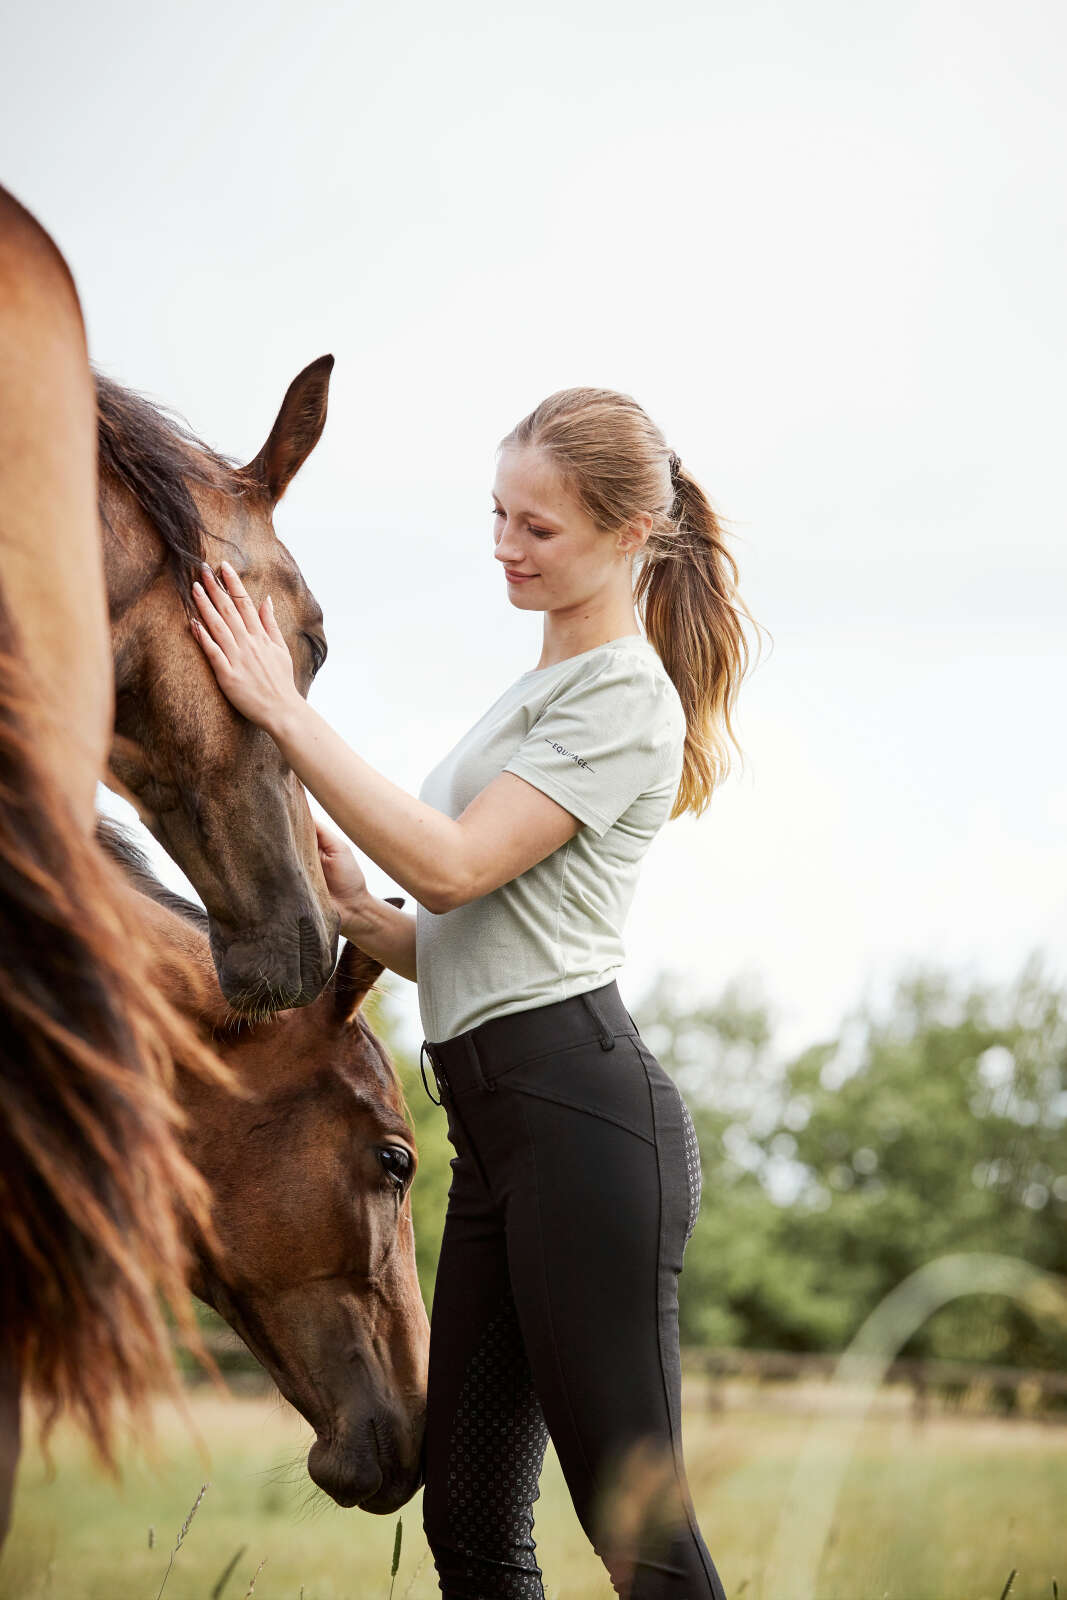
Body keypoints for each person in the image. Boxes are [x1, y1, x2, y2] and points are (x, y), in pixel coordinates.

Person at [189, 385, 757, 1599]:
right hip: (501, 1135)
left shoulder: (621, 694)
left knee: (636, 1534)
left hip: (582, 1128)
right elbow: (477, 944)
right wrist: (360, 918)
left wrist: (282, 712)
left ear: (626, 535)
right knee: (471, 1528)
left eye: (537, 528)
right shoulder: (531, 694)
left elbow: (451, 863)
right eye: (496, 514)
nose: (504, 545)